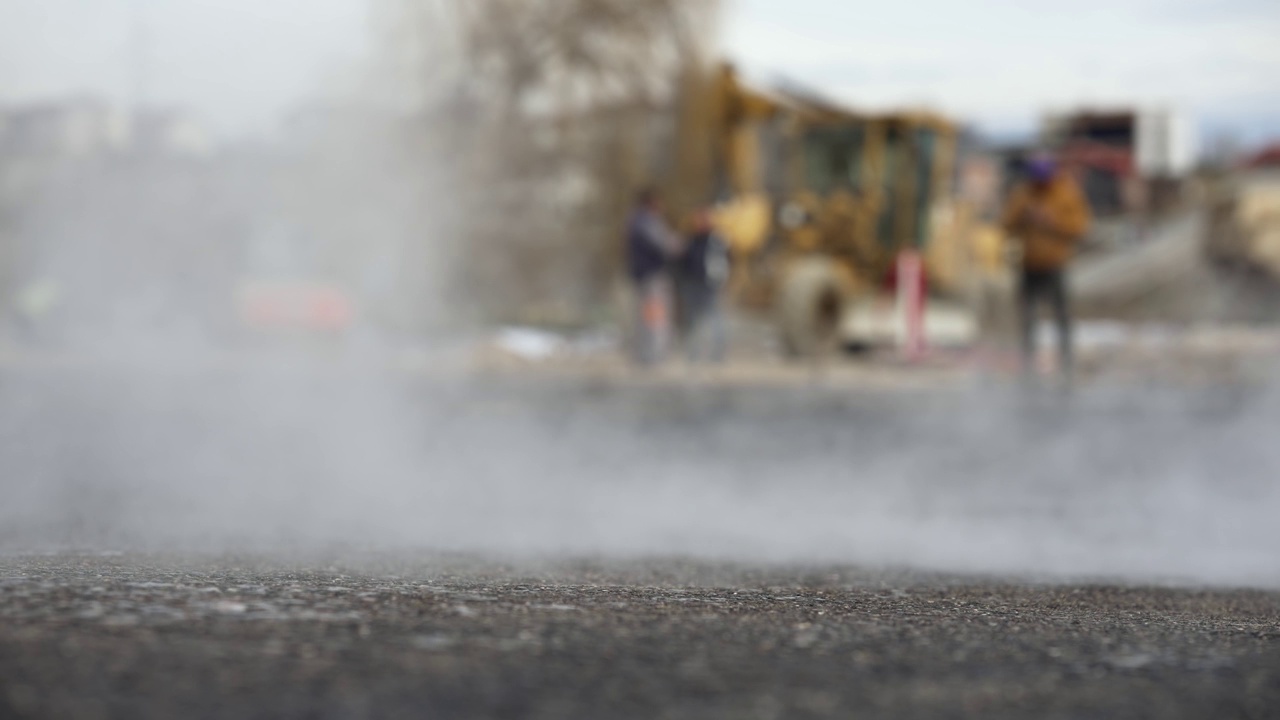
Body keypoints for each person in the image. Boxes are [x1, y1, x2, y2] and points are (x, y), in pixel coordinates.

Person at [1001, 154, 1092, 378]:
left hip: (1055, 263)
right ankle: (1028, 358)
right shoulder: (1024, 194)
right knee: (1028, 314)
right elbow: (1006, 223)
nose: (1040, 184)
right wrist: (1023, 216)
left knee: (1061, 313)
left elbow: (1080, 228)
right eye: (1036, 179)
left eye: (1044, 179)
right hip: (1029, 263)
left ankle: (1066, 357)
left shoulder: (1065, 194)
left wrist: (1052, 221)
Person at [625, 187, 678, 365]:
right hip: (653, 276)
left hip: (644, 275)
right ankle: (652, 356)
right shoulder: (647, 223)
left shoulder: (634, 221)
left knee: (646, 315)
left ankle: (646, 354)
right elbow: (666, 246)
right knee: (655, 316)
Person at [677, 208, 731, 363]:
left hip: (710, 285)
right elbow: (683, 262)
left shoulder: (717, 240)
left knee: (714, 319)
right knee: (692, 320)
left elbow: (725, 262)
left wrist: (721, 280)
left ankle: (717, 355)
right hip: (692, 284)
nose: (699, 223)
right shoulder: (691, 240)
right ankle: (692, 354)